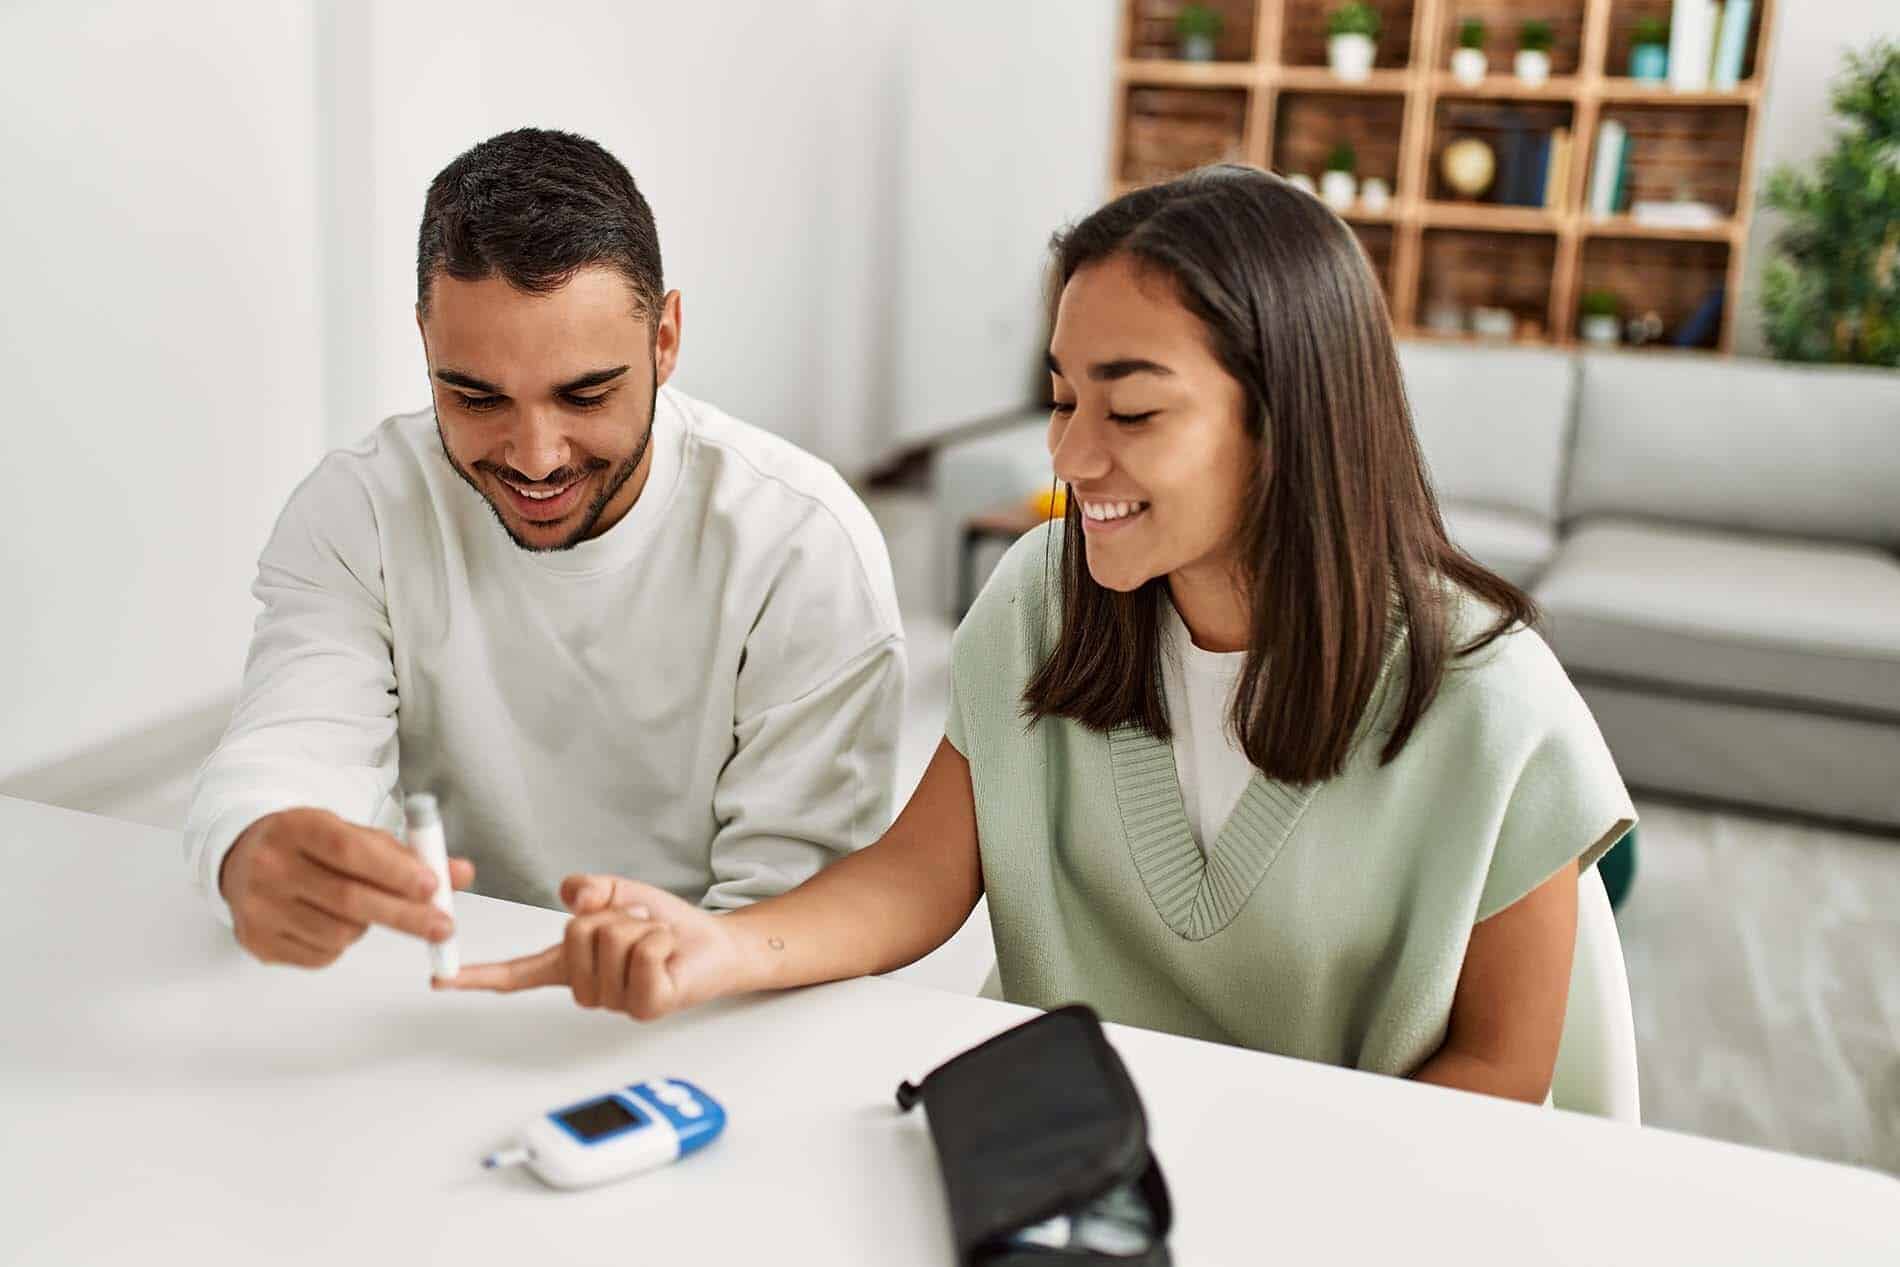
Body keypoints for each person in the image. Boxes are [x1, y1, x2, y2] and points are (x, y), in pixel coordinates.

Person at [446, 165, 1635, 1104]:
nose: (1068, 458)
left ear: (1288, 419)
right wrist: (717, 947)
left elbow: (1497, 1078)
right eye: (1061, 398)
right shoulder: (1041, 599)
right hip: (1063, 1147)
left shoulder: (1488, 695)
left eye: (1129, 408)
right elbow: (917, 876)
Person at [184, 128, 905, 972]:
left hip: (701, 1009)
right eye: (474, 395)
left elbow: (796, 914)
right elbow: (287, 750)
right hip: (437, 988)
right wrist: (254, 843)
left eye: (586, 393)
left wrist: (669, 972)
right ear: (425, 339)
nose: (535, 455)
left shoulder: (802, 544)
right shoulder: (361, 512)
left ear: (664, 338)